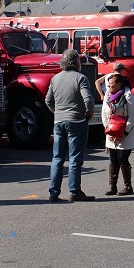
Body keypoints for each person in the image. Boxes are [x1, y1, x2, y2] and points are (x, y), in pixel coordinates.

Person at [46, 49, 96, 202]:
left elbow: (48, 100)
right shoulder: (81, 78)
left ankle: (54, 192)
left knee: (57, 158)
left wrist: (56, 112)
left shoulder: (55, 78)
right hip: (76, 120)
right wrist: (89, 113)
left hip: (59, 121)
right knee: (74, 158)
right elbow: (88, 99)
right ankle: (74, 191)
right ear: (76, 62)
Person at [102, 73, 134, 195]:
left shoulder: (129, 96)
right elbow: (104, 115)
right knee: (113, 159)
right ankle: (112, 186)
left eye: (111, 84)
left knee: (122, 159)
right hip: (112, 131)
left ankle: (128, 186)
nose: (108, 85)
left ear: (118, 85)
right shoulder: (108, 95)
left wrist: (122, 133)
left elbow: (133, 118)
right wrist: (110, 131)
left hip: (126, 132)